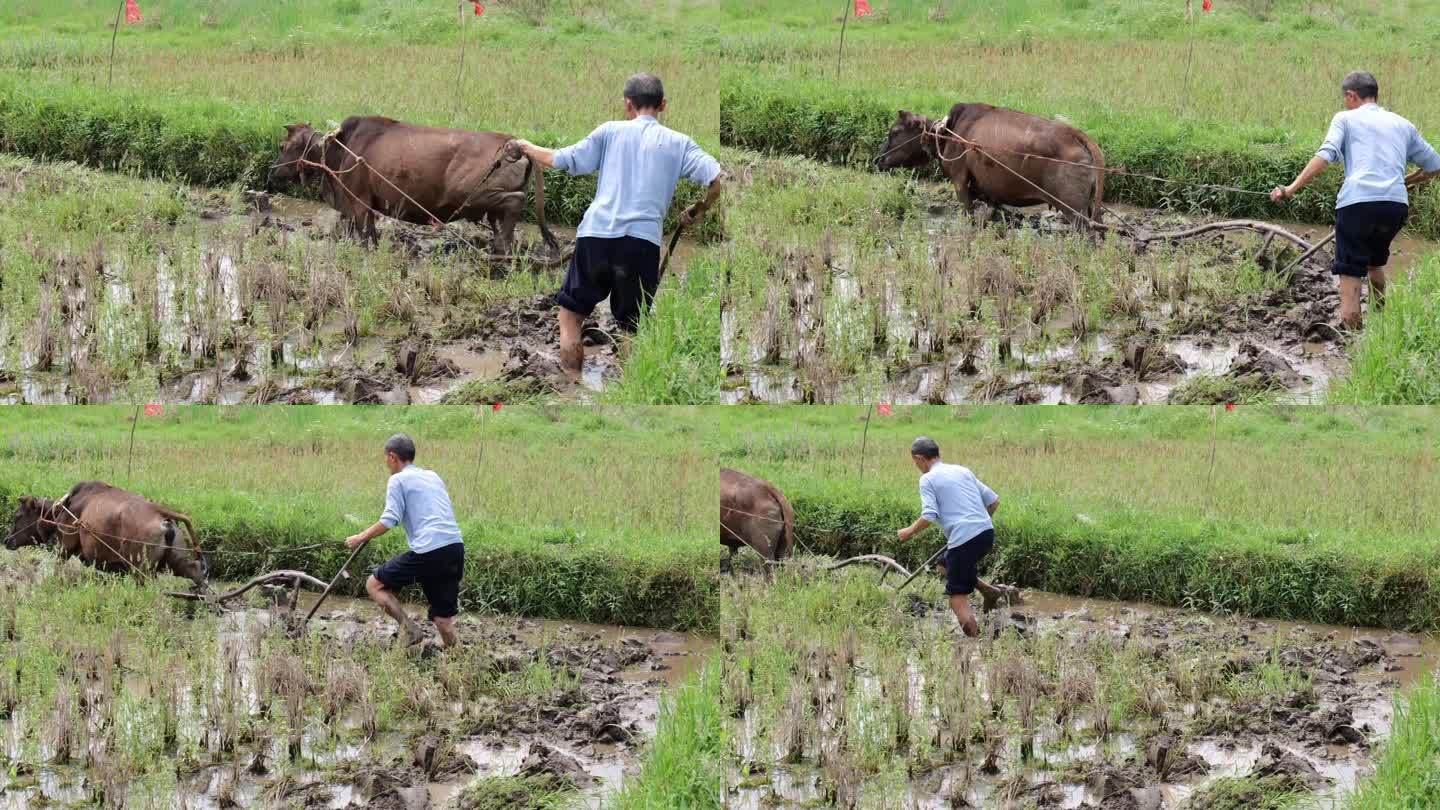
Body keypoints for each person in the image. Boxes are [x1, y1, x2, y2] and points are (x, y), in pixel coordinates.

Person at [512, 73, 725, 382]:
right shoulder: (680, 143)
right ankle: (626, 391)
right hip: (641, 244)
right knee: (631, 328)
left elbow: (562, 159)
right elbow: (718, 179)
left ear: (627, 105)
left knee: (570, 317)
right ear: (663, 105)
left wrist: (527, 146)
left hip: (596, 237)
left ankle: (571, 385)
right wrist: (700, 208)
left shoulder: (609, 131)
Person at [1271, 70, 1440, 330]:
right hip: (1394, 207)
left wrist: (1290, 189)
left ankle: (1353, 345)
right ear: (1375, 95)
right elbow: (1435, 166)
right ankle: (1381, 324)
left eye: (1345, 98)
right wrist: (1406, 180)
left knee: (1350, 277)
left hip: (1357, 205)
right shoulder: (1403, 124)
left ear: (1351, 96)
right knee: (1375, 263)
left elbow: (1325, 155)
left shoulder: (1345, 119)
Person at [345, 434, 466, 649]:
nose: (386, 463)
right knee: (442, 619)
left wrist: (360, 537)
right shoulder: (433, 476)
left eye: (385, 458)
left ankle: (410, 629)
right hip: (455, 547)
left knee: (374, 585)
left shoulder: (397, 479)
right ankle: (459, 662)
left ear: (392, 457)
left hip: (429, 549)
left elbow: (389, 520)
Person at [896, 436, 1020, 638]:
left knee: (956, 596)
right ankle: (989, 591)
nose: (916, 466)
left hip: (965, 538)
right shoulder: (962, 470)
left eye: (915, 462)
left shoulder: (927, 479)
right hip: (986, 534)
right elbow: (994, 501)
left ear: (919, 458)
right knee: (944, 564)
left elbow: (929, 515)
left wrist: (908, 532)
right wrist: (976, 524)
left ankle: (976, 642)